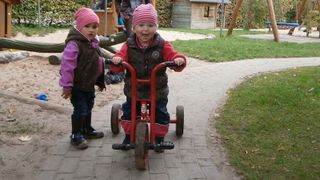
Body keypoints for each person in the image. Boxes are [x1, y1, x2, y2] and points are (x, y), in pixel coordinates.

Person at [110, 4, 187, 153]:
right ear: (133, 27)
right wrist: (117, 60)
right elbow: (120, 57)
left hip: (157, 90)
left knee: (160, 113)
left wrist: (177, 59)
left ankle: (158, 137)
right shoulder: (129, 44)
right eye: (141, 25)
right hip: (134, 89)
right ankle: (129, 135)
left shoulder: (162, 44)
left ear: (156, 26)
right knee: (129, 112)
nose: (145, 29)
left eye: (150, 25)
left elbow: (173, 55)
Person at [59, 7, 106, 150]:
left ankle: (86, 130)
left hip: (89, 85)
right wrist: (67, 86)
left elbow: (98, 63)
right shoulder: (74, 45)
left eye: (95, 26)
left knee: (89, 107)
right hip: (77, 85)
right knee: (80, 109)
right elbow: (67, 67)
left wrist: (100, 81)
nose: (92, 30)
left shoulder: (93, 43)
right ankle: (75, 135)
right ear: (79, 27)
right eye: (87, 26)